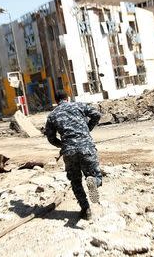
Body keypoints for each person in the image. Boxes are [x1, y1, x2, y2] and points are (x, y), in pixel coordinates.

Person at [44, 89, 102, 220]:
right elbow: (96, 115)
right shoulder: (79, 105)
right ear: (68, 98)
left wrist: (63, 145)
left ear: (56, 101)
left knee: (75, 181)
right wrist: (87, 129)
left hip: (69, 151)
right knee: (94, 175)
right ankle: (94, 182)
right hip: (86, 147)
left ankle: (86, 210)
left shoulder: (52, 115)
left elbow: (50, 138)